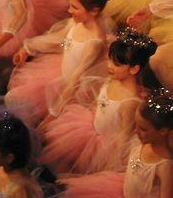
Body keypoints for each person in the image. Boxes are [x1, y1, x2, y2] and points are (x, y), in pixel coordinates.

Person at [39, 27, 157, 175]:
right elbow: (98, 103)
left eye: (116, 64)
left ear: (134, 69)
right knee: (61, 156)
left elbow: (123, 137)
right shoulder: (112, 80)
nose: (109, 66)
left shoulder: (130, 102)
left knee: (86, 172)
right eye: (109, 60)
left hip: (106, 147)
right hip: (90, 130)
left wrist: (112, 163)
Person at [6, 0, 114, 127]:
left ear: (94, 11)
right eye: (70, 4)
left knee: (42, 124)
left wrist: (53, 115)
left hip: (72, 92)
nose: (69, 10)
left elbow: (75, 82)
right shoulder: (77, 23)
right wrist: (27, 48)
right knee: (15, 99)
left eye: (75, 7)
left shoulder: (95, 42)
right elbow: (56, 40)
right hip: (59, 75)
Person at [59, 87, 173, 198]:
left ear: (163, 131)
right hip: (122, 192)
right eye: (136, 125)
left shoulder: (166, 166)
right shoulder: (142, 143)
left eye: (143, 129)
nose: (136, 131)